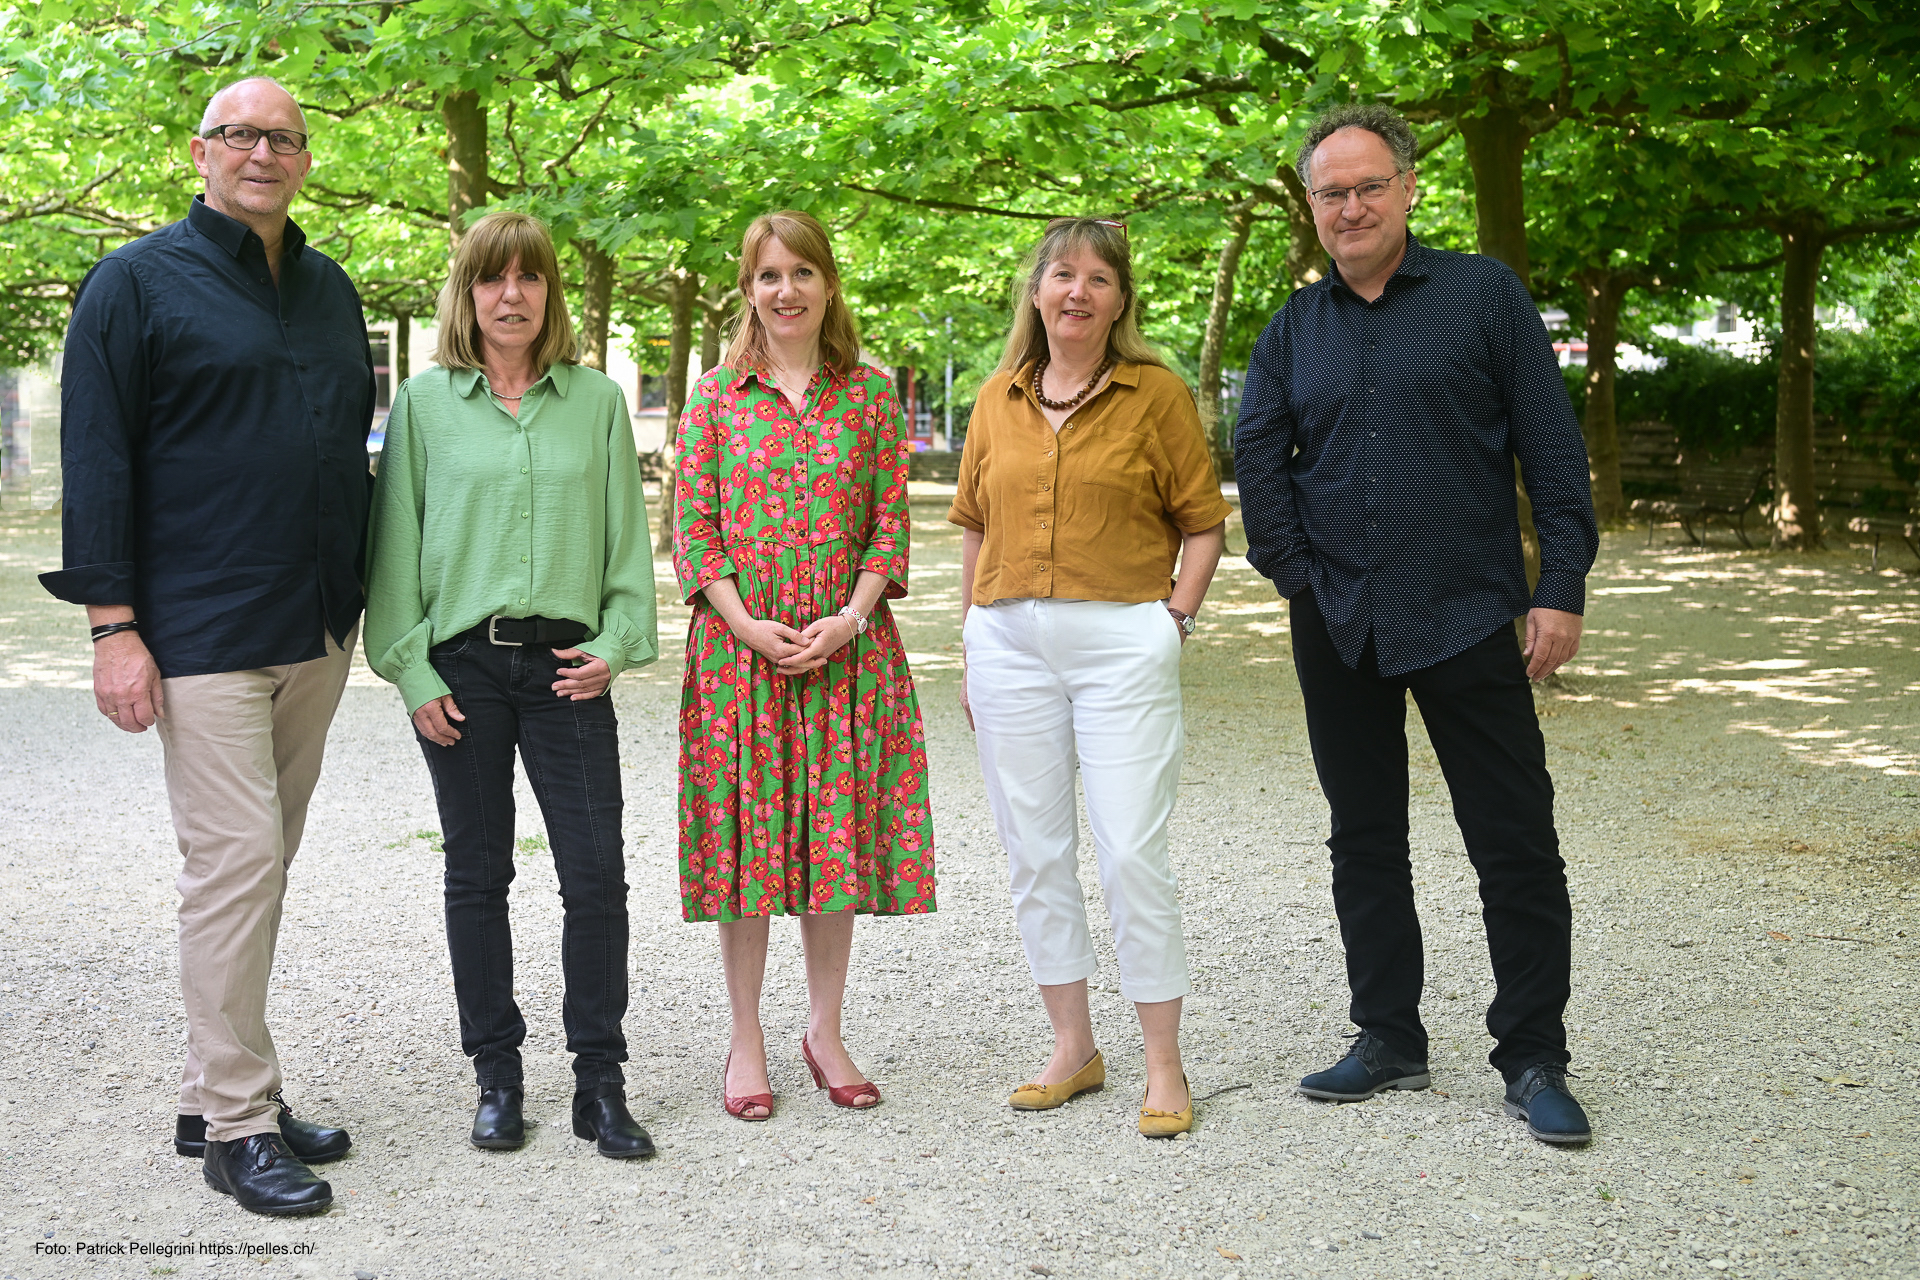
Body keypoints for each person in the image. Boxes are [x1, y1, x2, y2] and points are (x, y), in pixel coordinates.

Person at [1232, 104, 1601, 1145]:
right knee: (1364, 837)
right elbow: (1258, 455)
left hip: (1470, 611)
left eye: (1367, 186)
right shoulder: (1293, 328)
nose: (1350, 206)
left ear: (1407, 188)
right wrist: (1295, 573)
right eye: (1330, 193)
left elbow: (1551, 449)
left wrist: (1561, 583)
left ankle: (1532, 1051)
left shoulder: (1484, 296)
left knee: (1515, 839)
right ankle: (1388, 1035)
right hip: (1338, 620)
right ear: (1312, 210)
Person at [40, 76, 367, 1215]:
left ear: (305, 159)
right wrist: (113, 627)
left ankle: (211, 1089)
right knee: (231, 865)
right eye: (240, 134)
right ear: (201, 151)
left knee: (261, 865)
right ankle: (239, 1123)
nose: (261, 152)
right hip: (203, 629)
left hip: (318, 622)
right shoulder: (132, 283)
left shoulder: (331, 290)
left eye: (281, 137)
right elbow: (99, 460)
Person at [363, 210, 658, 1159]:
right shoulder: (422, 405)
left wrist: (619, 643)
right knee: (477, 873)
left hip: (570, 667)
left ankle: (599, 1084)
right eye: (493, 278)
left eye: (529, 278)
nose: (512, 296)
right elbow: (395, 548)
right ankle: (496, 1078)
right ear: (468, 291)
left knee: (596, 874)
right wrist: (410, 670)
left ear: (550, 294)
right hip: (464, 670)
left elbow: (626, 543)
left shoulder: (598, 402)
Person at [950, 217, 1230, 1139]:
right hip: (1008, 644)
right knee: (1035, 853)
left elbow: (1202, 522)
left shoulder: (1158, 395)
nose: (1078, 291)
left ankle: (1164, 1065)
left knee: (1131, 853)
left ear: (1120, 301)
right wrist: (969, 638)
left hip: (1123, 644)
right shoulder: (996, 396)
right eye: (1062, 275)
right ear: (1036, 293)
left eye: (1099, 279)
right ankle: (1073, 1047)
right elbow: (974, 524)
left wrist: (1172, 621)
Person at [673, 210, 934, 1121]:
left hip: (844, 656)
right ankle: (745, 1035)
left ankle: (824, 1028)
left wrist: (850, 620)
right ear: (747, 289)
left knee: (833, 846)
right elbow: (694, 532)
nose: (786, 291)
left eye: (802, 273)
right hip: (739, 657)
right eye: (768, 275)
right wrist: (746, 624)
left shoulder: (868, 396)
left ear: (828, 283)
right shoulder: (712, 398)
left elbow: (888, 525)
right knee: (747, 849)